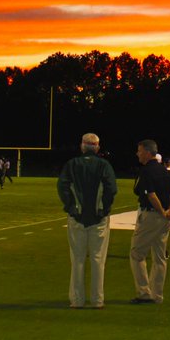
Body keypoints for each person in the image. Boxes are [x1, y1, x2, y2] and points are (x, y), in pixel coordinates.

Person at [57, 133, 117, 310]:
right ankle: (97, 300)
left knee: (77, 259)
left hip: (78, 217)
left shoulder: (72, 164)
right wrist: (103, 209)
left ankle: (77, 300)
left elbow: (63, 187)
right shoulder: (104, 165)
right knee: (98, 260)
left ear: (82, 146)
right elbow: (111, 189)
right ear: (97, 147)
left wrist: (71, 207)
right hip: (98, 218)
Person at [129, 138, 170, 304]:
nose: (137, 153)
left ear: (148, 152)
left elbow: (151, 194)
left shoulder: (146, 171)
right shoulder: (164, 170)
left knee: (137, 254)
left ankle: (144, 293)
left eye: (140, 150)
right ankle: (157, 295)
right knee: (159, 257)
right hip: (164, 218)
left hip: (151, 216)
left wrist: (162, 211)